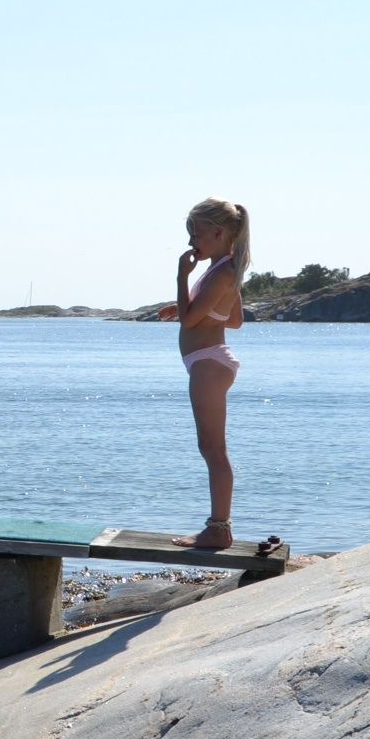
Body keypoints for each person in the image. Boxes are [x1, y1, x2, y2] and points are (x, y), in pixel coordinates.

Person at [157, 198, 250, 549]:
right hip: (210, 362)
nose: (191, 239)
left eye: (196, 232)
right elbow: (235, 319)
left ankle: (219, 528)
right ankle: (218, 527)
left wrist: (182, 278)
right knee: (211, 447)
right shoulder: (225, 269)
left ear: (219, 232)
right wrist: (184, 302)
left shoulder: (222, 271)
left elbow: (190, 319)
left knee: (213, 449)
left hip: (208, 365)